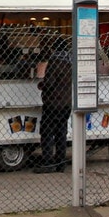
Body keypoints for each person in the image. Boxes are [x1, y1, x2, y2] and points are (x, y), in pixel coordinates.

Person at [34, 38, 72, 172]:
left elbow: (50, 83)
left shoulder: (54, 63)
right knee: (61, 133)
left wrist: (41, 85)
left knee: (47, 133)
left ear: (54, 49)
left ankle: (47, 163)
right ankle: (61, 163)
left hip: (52, 103)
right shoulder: (70, 63)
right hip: (66, 104)